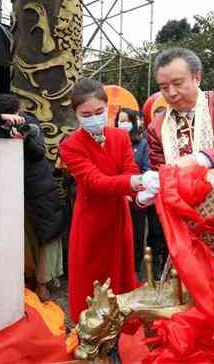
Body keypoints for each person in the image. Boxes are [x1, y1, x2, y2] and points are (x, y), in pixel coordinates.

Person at [147, 47, 214, 363]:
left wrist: (198, 160)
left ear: (197, 77)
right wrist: (151, 184)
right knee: (186, 306)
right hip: (185, 230)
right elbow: (159, 169)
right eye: (163, 86)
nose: (170, 93)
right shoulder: (157, 125)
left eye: (178, 83)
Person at [59, 79, 149, 322]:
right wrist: (131, 184)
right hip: (90, 222)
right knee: (92, 281)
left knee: (119, 277)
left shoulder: (120, 137)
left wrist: (143, 190)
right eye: (86, 114)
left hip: (119, 218)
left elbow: (129, 169)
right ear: (76, 114)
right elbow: (93, 181)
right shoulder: (70, 146)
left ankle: (115, 334)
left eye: (99, 112)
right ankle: (92, 334)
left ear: (106, 108)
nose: (94, 118)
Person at [0, 94, 65, 301]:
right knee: (20, 237)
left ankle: (43, 283)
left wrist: (24, 140)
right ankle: (24, 278)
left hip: (39, 190)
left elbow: (39, 152)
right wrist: (0, 121)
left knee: (45, 236)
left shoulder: (30, 122)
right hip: (10, 191)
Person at [115, 107, 150, 275]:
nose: (122, 124)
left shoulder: (142, 144)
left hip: (136, 198)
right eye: (119, 121)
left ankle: (135, 270)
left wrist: (131, 191)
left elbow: (146, 169)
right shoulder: (110, 141)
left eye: (126, 121)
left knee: (136, 235)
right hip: (116, 196)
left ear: (133, 123)